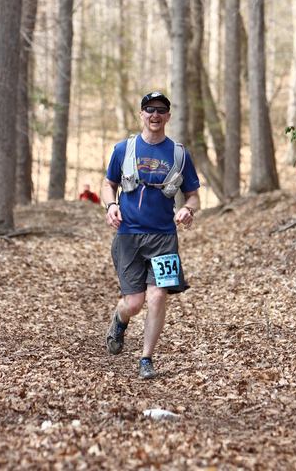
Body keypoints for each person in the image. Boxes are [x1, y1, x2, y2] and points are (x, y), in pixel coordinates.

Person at [102, 91, 200, 379]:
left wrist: (189, 210)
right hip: (129, 236)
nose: (155, 114)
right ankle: (119, 319)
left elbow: (193, 195)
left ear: (168, 116)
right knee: (134, 303)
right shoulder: (124, 149)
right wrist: (111, 205)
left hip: (164, 238)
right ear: (141, 114)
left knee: (157, 297)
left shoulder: (179, 154)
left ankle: (146, 358)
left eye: (160, 110)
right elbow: (109, 185)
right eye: (149, 109)